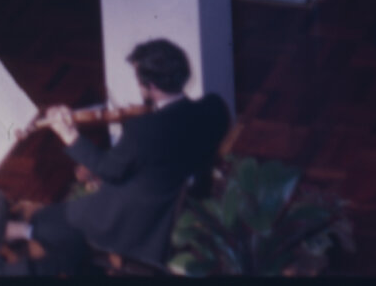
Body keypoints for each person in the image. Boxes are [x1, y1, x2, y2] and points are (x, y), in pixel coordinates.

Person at [26, 40, 231, 274]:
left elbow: (108, 169)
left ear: (150, 86)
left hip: (130, 224)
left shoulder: (142, 131)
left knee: (44, 220)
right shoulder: (213, 109)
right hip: (169, 210)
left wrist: (68, 133)